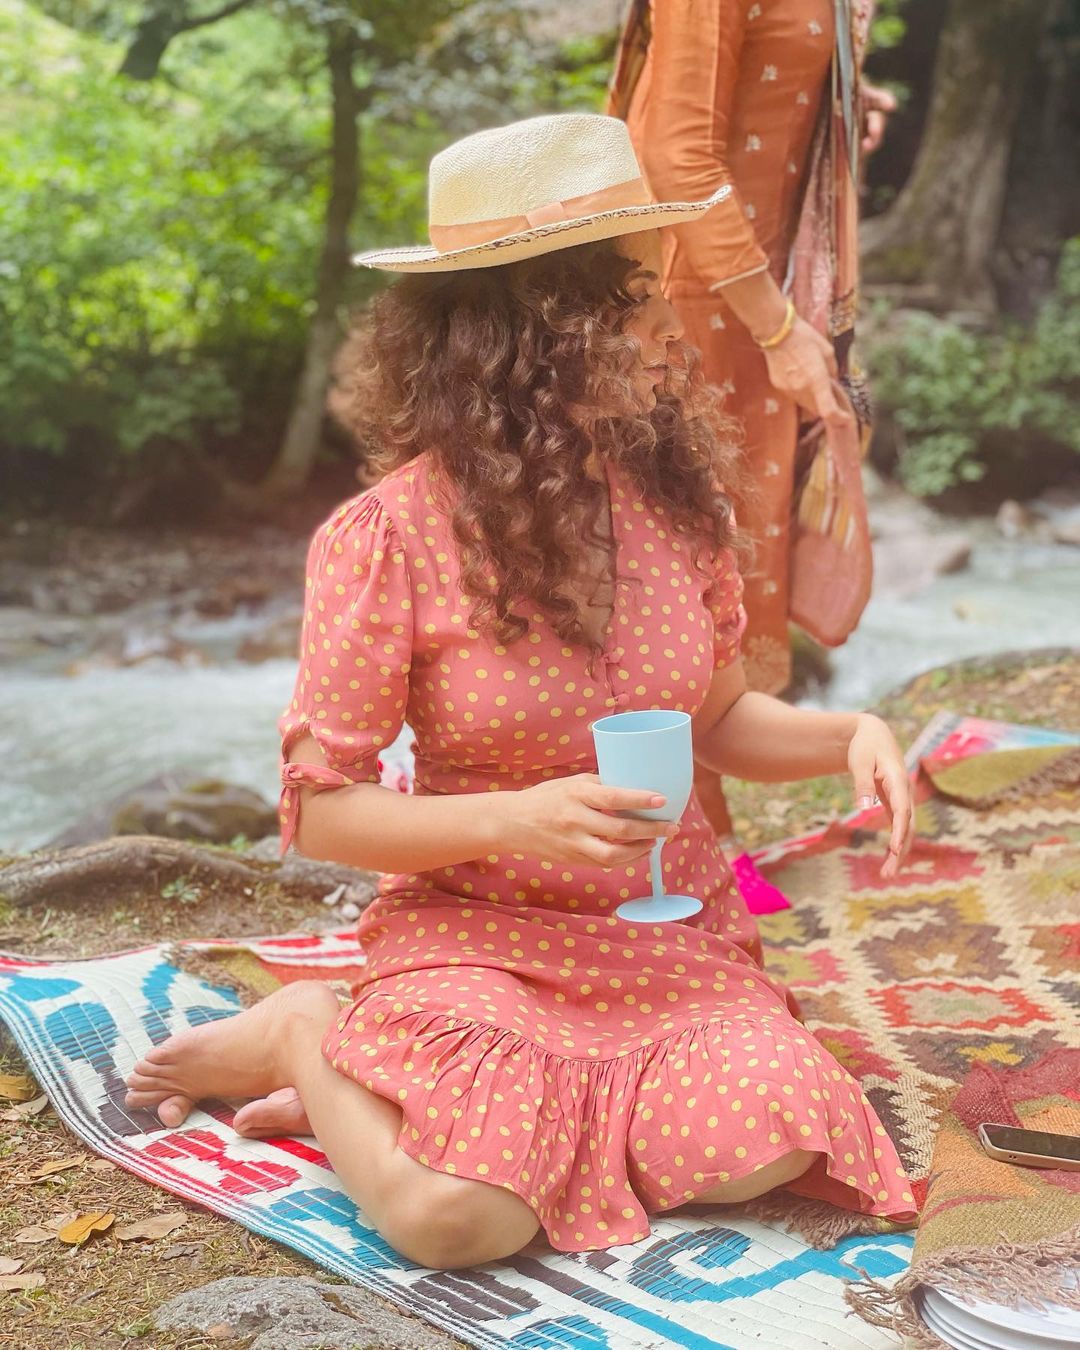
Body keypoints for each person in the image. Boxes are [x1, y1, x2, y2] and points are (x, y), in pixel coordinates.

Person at [125, 113, 916, 1270]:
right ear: (523, 335)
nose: (659, 323)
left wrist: (856, 733)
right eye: (623, 298)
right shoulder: (387, 539)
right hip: (480, 940)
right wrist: (512, 818)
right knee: (461, 1223)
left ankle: (423, 1105)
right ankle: (312, 1036)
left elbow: (720, 724)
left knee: (769, 1146)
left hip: (665, 937)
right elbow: (322, 809)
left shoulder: (677, 503)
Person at [608, 0, 896, 855]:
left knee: (720, 570)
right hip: (692, 309)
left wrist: (840, 96)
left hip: (747, 308)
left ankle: (699, 834)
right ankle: (663, 849)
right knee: (662, 576)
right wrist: (779, 331)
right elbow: (677, 158)